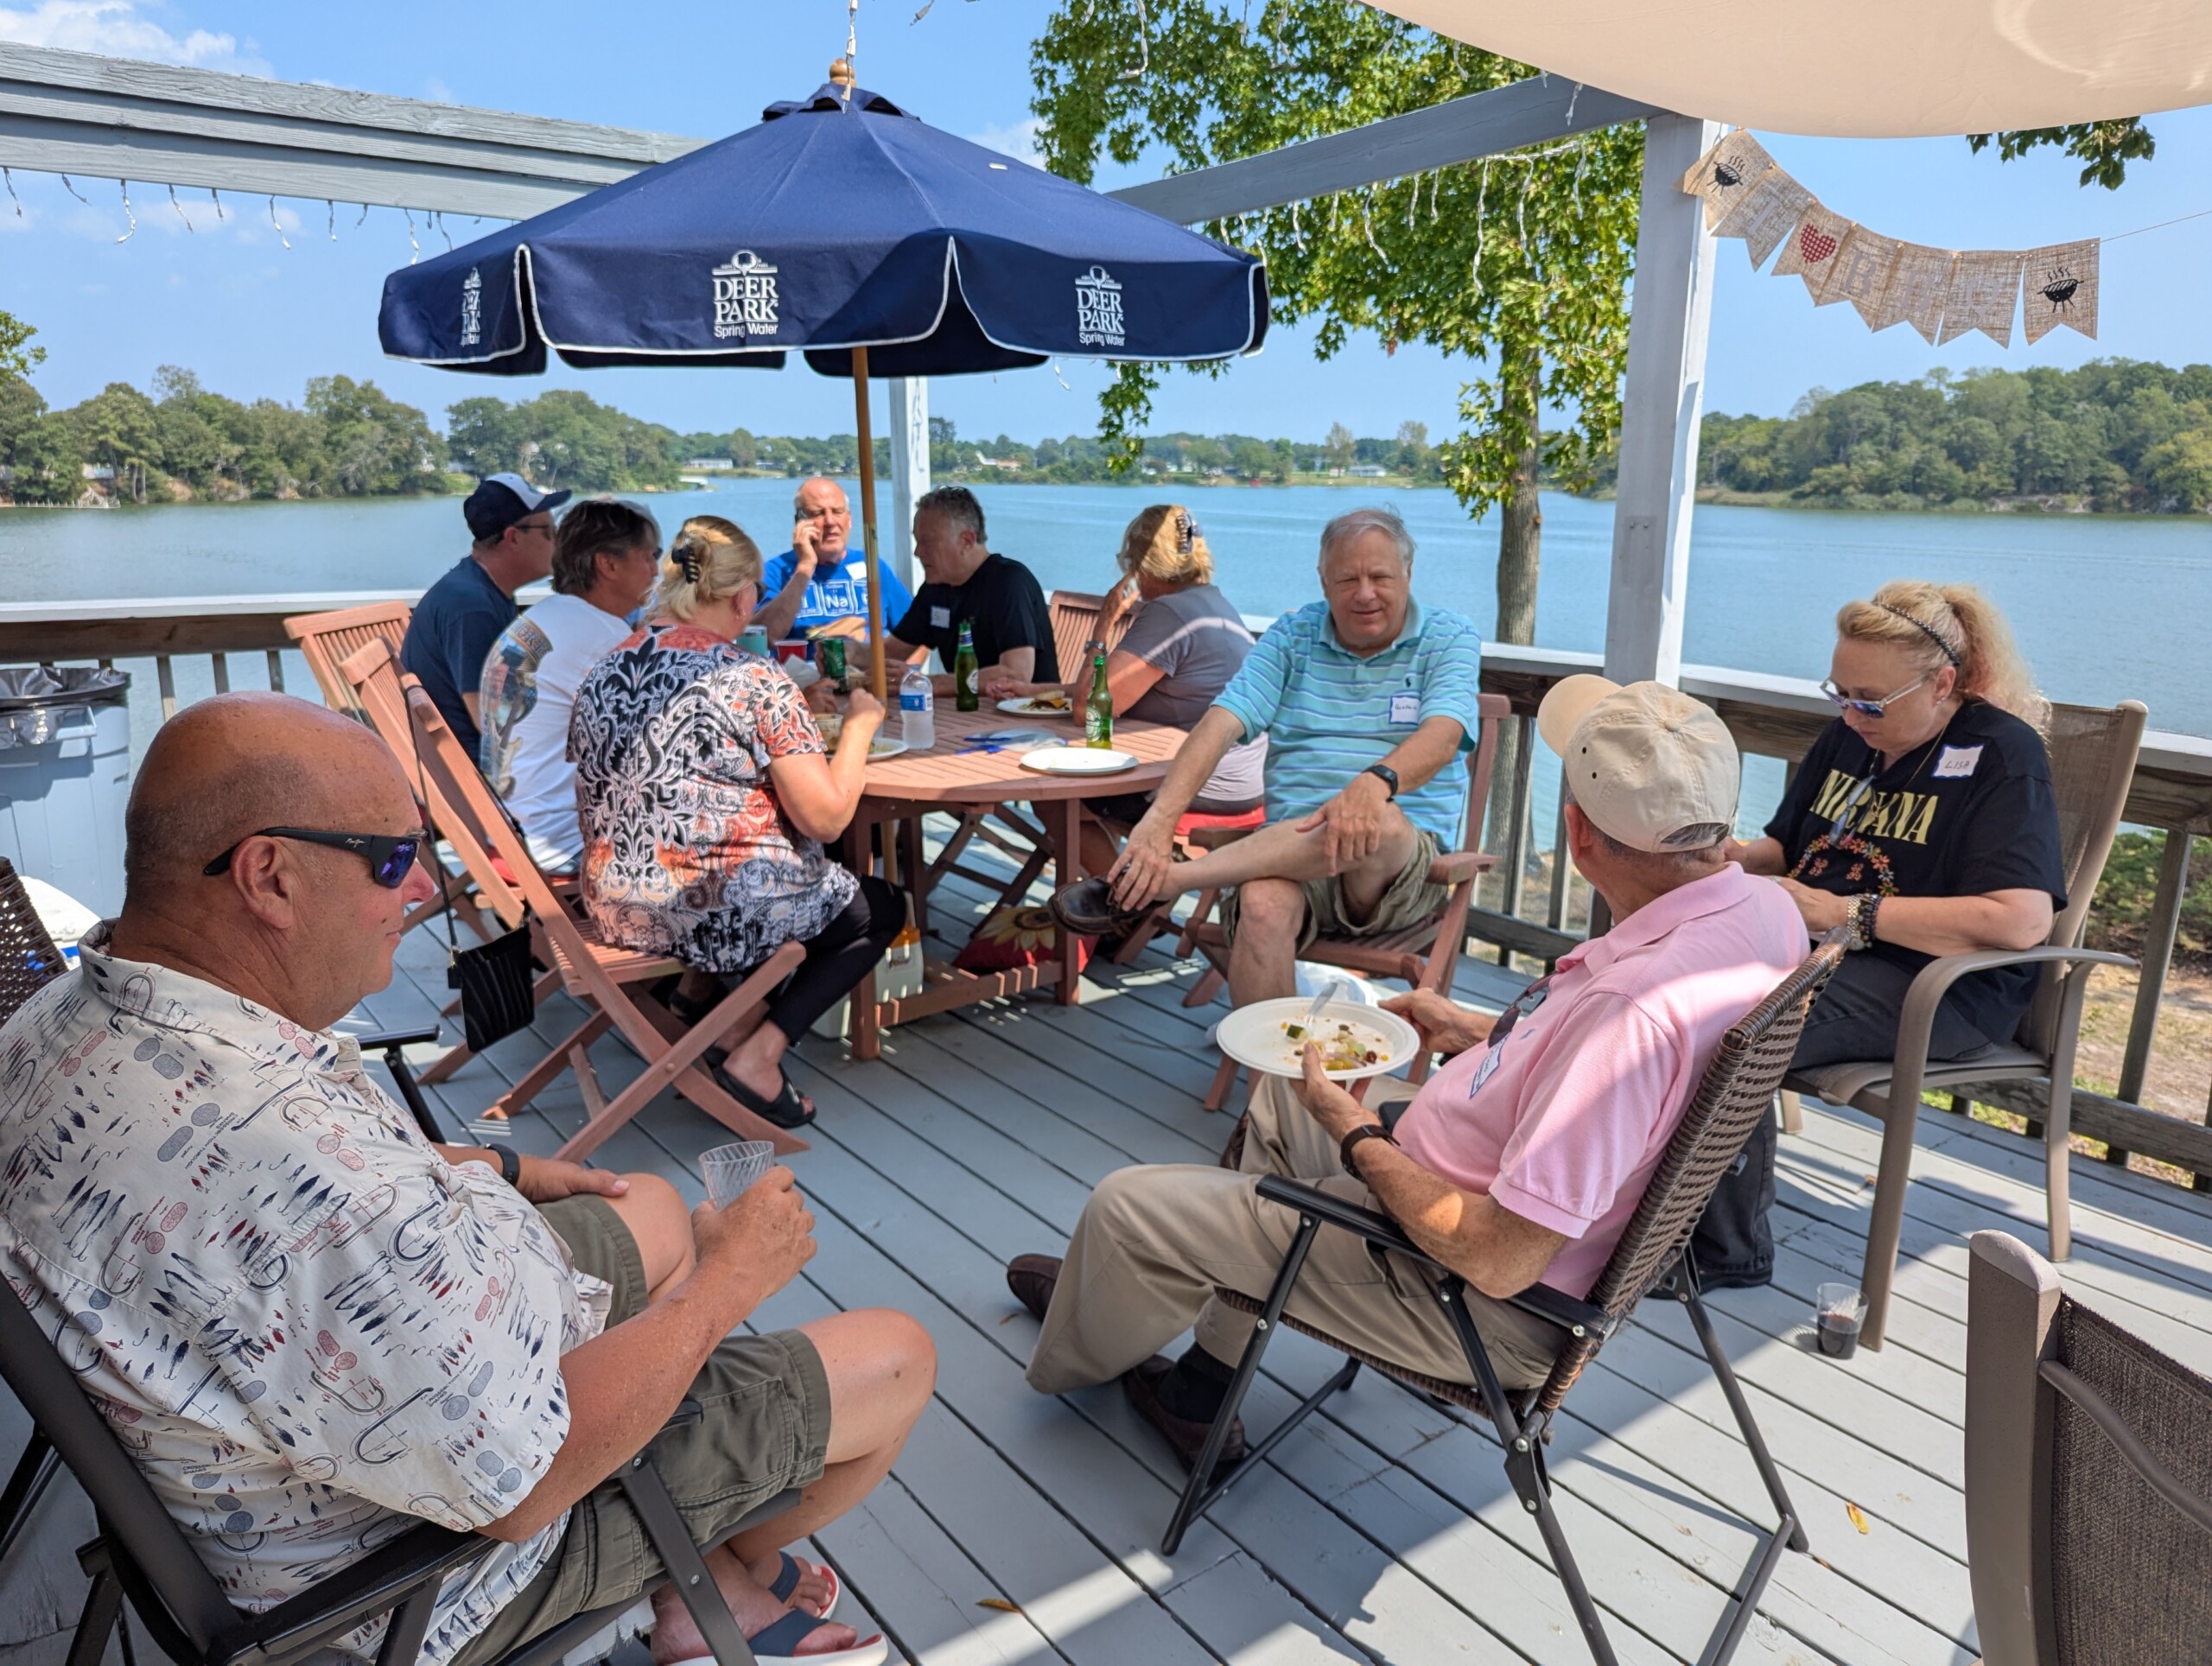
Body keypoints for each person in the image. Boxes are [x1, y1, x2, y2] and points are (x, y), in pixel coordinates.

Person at [0, 691, 933, 1666]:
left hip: (362, 1372)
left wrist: (497, 1165)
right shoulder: (301, 1173)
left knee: (647, 1205)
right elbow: (525, 1485)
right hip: (414, 1570)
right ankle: (704, 1582)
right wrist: (728, 1284)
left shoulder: (61, 1021)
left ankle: (712, 1578)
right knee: (897, 1354)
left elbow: (261, 1220)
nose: (425, 893)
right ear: (267, 875)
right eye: (394, 860)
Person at [1004, 677, 1804, 1473]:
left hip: (1469, 1297)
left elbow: (1500, 1256)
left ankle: (1094, 1331)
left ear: (1578, 834)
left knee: (1124, 1208)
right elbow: (1638, 1084)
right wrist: (1485, 1031)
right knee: (1284, 1100)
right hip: (1479, 1192)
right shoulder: (1763, 914)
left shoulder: (1633, 1014)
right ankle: (1201, 1383)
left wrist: (1355, 1138)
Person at [1693, 582, 2068, 1288]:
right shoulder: (1850, 735)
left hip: (1936, 984)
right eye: (1840, 692)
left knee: (1726, 1028)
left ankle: (1724, 1249)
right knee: (1653, 986)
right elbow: (1786, 846)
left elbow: (2020, 920)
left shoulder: (2000, 755)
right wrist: (1720, 859)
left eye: (1870, 700)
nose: (1850, 713)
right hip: (1813, 953)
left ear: (1943, 683)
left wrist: (1846, 915)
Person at [1050, 506, 1480, 1008]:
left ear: (1408, 572)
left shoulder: (1448, 637)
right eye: (1347, 579)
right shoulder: (1293, 636)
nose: (1365, 593)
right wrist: (1159, 821)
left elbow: (1445, 734)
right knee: (1258, 901)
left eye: (1380, 576)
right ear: (1323, 580)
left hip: (1396, 876)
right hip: (1294, 859)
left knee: (1376, 819)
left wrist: (1376, 780)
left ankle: (1173, 880)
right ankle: (1270, 1087)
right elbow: (1222, 722)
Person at [571, 517, 906, 1131]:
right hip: (698, 910)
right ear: (746, 598)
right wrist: (859, 727)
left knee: (751, 870)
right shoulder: (753, 680)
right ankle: (759, 1053)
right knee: (876, 907)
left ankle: (707, 1007)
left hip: (613, 900)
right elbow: (829, 818)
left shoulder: (602, 671)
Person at [982, 504, 1268, 878]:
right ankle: (1125, 887)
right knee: (1079, 789)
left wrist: (1105, 621)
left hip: (1201, 790)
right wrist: (1037, 689)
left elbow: (1088, 710)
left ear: (1140, 565)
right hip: (1248, 784)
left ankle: (1124, 903)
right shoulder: (1212, 602)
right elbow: (1124, 687)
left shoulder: (1168, 613)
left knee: (1054, 796)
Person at [478, 498, 661, 873]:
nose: (656, 570)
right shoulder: (602, 635)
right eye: (649, 556)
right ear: (608, 564)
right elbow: (665, 740)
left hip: (511, 830)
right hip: (563, 844)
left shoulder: (545, 617)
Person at [402, 472, 569, 759]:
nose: (558, 542)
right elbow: (492, 722)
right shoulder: (471, 608)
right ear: (513, 538)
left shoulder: (484, 588)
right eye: (549, 532)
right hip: (487, 780)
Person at [882, 486, 1058, 689]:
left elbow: (1016, 674)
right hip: (965, 713)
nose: (917, 552)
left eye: (927, 542)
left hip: (1026, 715)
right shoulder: (936, 588)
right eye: (917, 541)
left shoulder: (1009, 582)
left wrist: (925, 683)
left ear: (966, 541)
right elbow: (889, 653)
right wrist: (846, 652)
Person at [752, 477, 916, 645]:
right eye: (818, 513)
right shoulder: (775, 571)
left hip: (866, 669)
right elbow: (765, 638)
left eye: (837, 512)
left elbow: (919, 632)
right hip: (803, 668)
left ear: (849, 519)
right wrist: (806, 566)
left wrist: (909, 669)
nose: (830, 522)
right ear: (800, 522)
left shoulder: (873, 567)